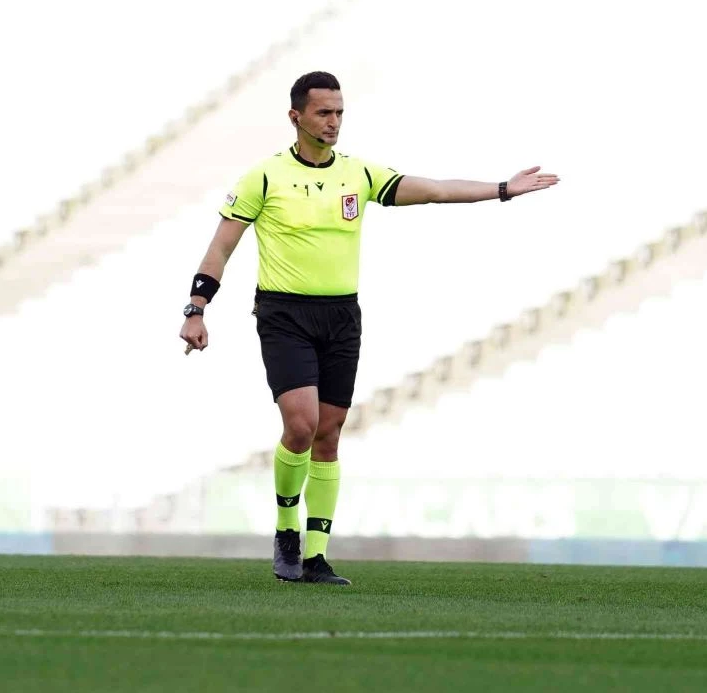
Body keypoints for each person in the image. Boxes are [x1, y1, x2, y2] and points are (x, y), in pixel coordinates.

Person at [179, 71, 559, 585]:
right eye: (323, 112)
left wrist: (502, 190)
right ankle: (287, 529)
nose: (333, 122)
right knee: (301, 424)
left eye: (339, 112)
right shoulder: (264, 177)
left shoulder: (357, 173)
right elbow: (222, 246)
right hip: (284, 315)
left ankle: (315, 557)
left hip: (342, 317)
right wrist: (197, 307)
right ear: (295, 116)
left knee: (329, 434)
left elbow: (434, 190)